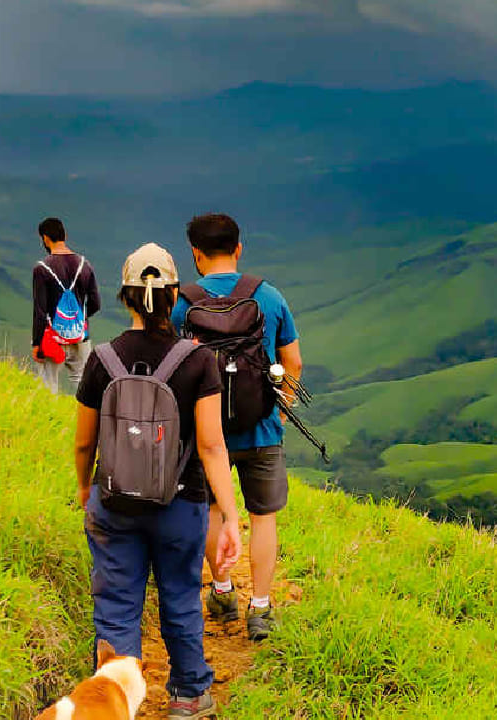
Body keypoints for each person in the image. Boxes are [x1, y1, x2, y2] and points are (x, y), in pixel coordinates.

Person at [74, 243, 242, 719]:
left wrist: (86, 489)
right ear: (174, 296)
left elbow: (85, 444)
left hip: (114, 502)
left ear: (126, 297)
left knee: (116, 607)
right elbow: (211, 446)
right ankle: (189, 696)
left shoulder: (101, 360)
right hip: (181, 504)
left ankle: (112, 705)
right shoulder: (197, 360)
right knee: (181, 600)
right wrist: (229, 516)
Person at [172, 213, 302, 641]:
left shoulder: (182, 304)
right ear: (239, 248)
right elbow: (293, 361)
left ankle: (223, 592)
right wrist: (280, 408)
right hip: (262, 428)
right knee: (262, 518)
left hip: (205, 435)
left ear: (195, 253)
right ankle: (261, 608)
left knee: (212, 511)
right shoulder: (268, 296)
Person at [33, 217, 100, 394]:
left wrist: (36, 343)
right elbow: (95, 303)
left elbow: (40, 311)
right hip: (81, 336)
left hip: (52, 338)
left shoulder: (41, 268)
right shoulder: (85, 265)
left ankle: (50, 421)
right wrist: (78, 320)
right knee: (83, 386)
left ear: (45, 238)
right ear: (65, 236)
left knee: (49, 386)